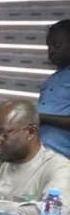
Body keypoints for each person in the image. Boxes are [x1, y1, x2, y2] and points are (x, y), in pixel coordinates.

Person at [39, 19, 70, 159]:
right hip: (42, 157)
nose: (51, 50)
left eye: (56, 45)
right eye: (48, 45)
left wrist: (41, 117)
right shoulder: (51, 80)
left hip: (64, 160)